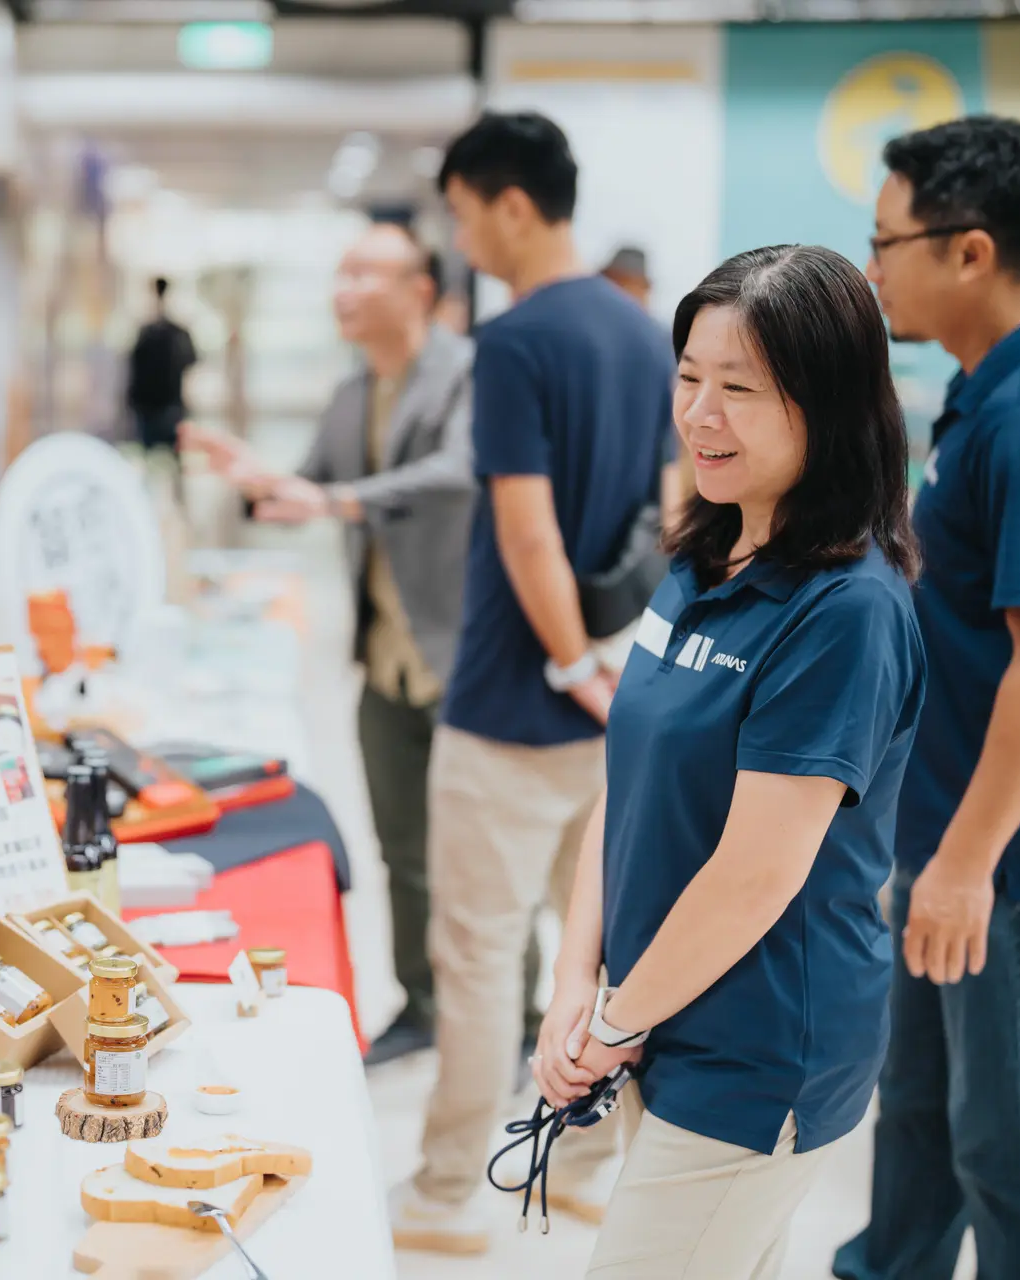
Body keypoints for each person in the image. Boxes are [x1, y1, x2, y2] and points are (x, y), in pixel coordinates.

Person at [536, 242, 925, 1280]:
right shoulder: (708, 550)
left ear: (827, 405)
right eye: (690, 378)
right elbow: (626, 777)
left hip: (759, 1049)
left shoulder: (847, 611)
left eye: (740, 389)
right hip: (659, 1009)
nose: (701, 412)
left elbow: (759, 871)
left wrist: (614, 1019)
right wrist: (578, 980)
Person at [837, 116, 1020, 1280]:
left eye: (885, 242)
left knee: (1013, 1146)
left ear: (967, 251)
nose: (873, 269)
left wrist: (964, 863)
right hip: (954, 825)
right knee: (916, 1110)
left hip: (1014, 850)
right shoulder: (989, 386)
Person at [390, 110, 676, 1254]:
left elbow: (525, 530)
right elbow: (665, 514)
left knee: (479, 956)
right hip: (613, 702)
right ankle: (589, 1163)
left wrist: (563, 659)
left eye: (461, 214)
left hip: (518, 701)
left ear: (511, 203)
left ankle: (449, 1192)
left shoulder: (512, 341)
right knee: (600, 950)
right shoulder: (644, 330)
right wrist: (610, 669)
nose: (462, 238)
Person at [184, 221, 475, 1067]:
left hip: (460, 652)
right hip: (382, 653)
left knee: (474, 857)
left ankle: (510, 1014)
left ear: (419, 290)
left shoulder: (465, 373)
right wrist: (256, 475)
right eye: (340, 273)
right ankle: (420, 1003)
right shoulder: (355, 392)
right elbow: (307, 487)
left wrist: (334, 500)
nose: (344, 289)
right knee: (399, 844)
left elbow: (459, 475)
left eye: (365, 273)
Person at [126, 276, 198, 473]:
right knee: (162, 461)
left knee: (163, 460)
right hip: (158, 406)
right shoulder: (161, 332)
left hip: (161, 405)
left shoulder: (152, 332)